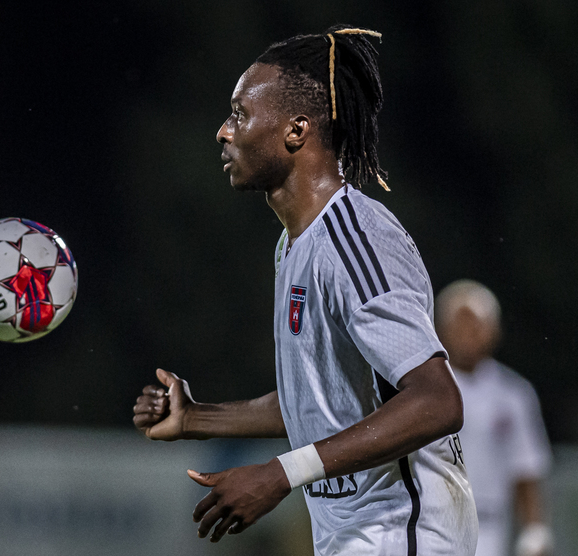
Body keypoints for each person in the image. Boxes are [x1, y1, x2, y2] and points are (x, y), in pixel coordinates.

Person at [133, 24, 478, 556]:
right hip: (362, 537)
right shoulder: (295, 245)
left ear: (296, 130)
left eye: (239, 114)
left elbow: (437, 401)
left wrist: (280, 474)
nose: (223, 132)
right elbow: (322, 401)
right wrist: (196, 418)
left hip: (401, 533)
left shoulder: (352, 240)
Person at [434, 280, 554, 556]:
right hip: (429, 521)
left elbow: (526, 468)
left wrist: (535, 531)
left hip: (487, 526)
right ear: (440, 329)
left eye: (476, 325)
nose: (468, 334)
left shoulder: (513, 395)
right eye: (460, 325)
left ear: (494, 331)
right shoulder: (422, 390)